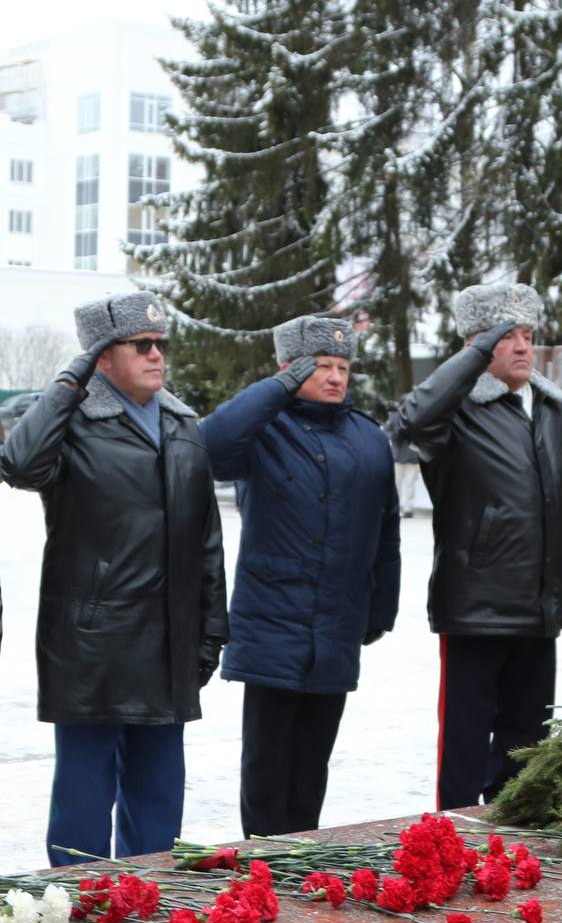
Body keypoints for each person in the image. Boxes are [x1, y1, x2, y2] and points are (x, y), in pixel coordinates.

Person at [0, 291, 227, 866]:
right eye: (140, 345)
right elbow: (20, 466)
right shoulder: (71, 421)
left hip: (168, 644)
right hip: (91, 644)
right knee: (83, 800)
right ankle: (78, 905)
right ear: (103, 356)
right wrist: (70, 378)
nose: (157, 356)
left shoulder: (181, 425)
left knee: (157, 801)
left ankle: (146, 904)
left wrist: (212, 629)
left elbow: (206, 538)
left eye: (161, 345)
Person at [200, 315, 401, 839]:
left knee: (312, 762)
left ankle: (302, 854)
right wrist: (277, 388)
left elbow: (386, 532)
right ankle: (264, 859)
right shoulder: (263, 430)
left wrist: (379, 611)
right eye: (320, 366)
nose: (335, 377)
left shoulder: (368, 438)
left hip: (336, 624)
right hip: (273, 622)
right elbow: (209, 448)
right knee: (266, 765)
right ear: (289, 370)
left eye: (342, 367)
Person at [390, 282, 562, 809]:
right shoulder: (455, 409)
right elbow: (409, 423)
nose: (523, 346)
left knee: (526, 752)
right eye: (506, 336)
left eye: (528, 334)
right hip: (476, 608)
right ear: (476, 345)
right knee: (464, 753)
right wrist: (473, 359)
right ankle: (452, 845)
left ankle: (514, 852)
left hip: (537, 611)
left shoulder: (553, 410)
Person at [384, 393, 420, 518]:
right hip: (398, 455)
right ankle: (396, 507)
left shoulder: (417, 417)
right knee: (396, 483)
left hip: (412, 456)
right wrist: (394, 436)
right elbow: (386, 432)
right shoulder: (394, 417)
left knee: (410, 483)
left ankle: (408, 508)